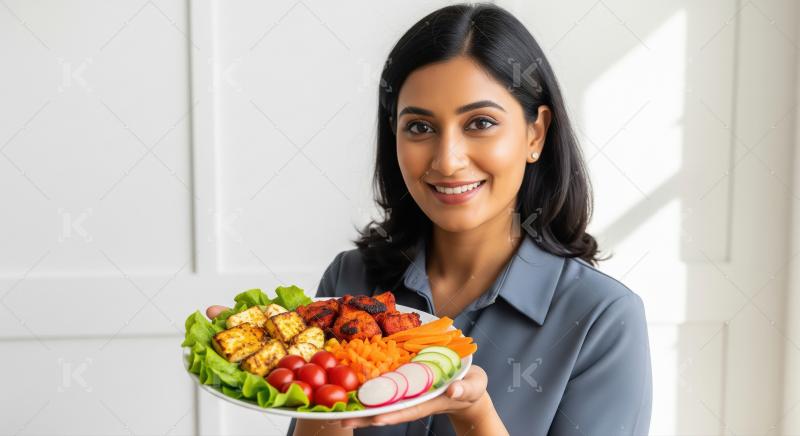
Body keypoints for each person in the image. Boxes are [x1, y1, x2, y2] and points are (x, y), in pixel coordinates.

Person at [207, 3, 652, 435]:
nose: (448, 160)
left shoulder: (601, 319)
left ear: (535, 133)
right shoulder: (350, 281)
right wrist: (304, 372)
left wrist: (473, 413)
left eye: (479, 123)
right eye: (420, 127)